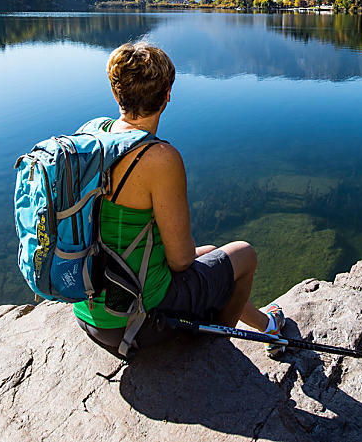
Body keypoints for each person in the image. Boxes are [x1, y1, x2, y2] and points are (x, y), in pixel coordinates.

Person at [73, 41, 284, 357]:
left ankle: (266, 325)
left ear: (116, 94)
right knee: (244, 254)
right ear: (167, 96)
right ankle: (213, 344)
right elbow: (182, 261)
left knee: (212, 252)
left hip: (91, 314)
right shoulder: (159, 157)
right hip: (138, 323)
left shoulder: (92, 134)